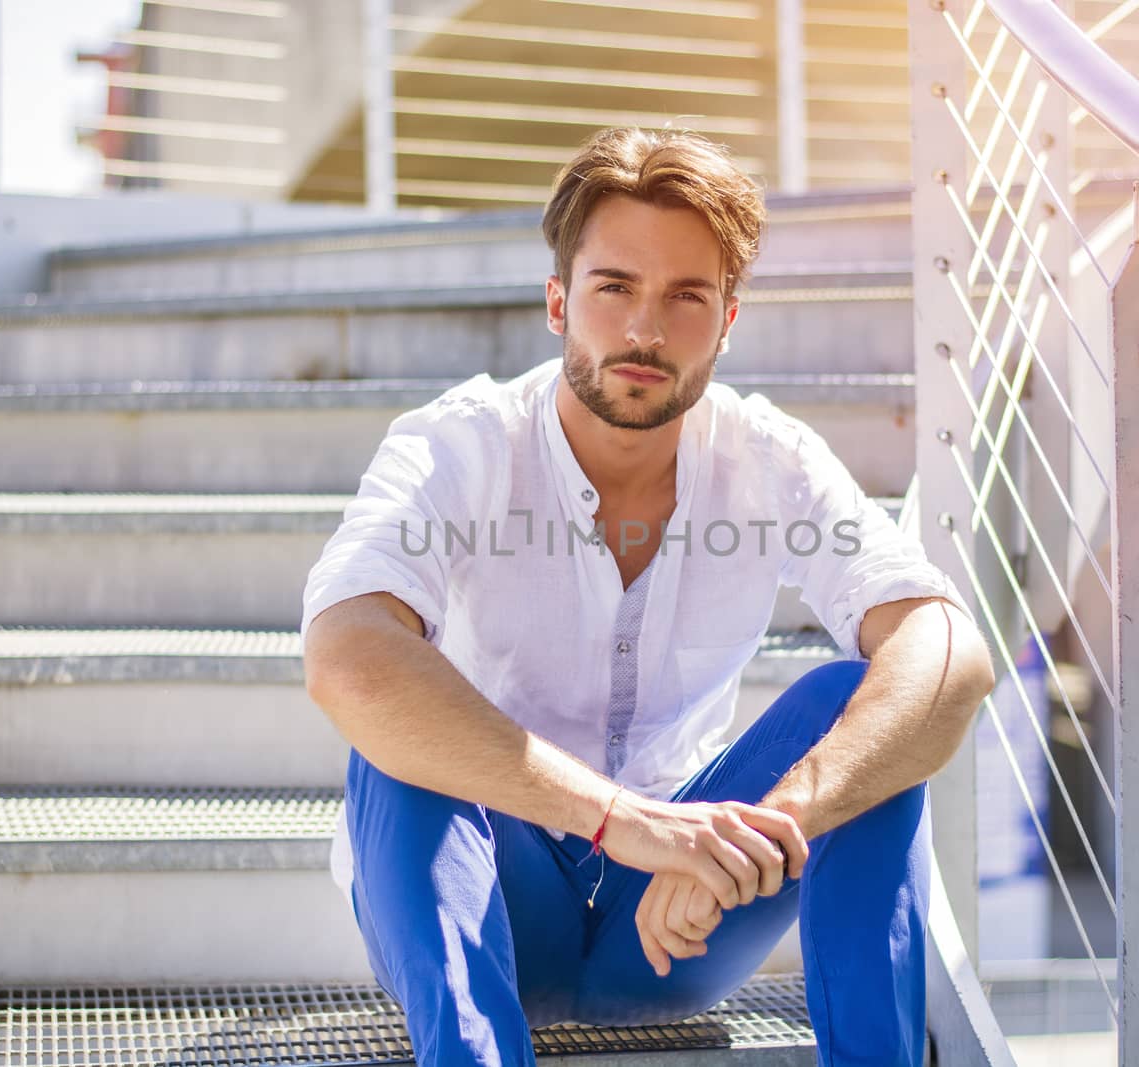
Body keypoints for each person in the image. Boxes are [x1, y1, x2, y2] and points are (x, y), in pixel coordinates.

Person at [300, 126, 995, 1066]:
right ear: (558, 301)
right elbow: (347, 656)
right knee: (399, 722)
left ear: (729, 319)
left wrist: (762, 827)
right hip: (490, 896)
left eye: (685, 297)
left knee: (856, 706)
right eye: (614, 288)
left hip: (675, 928)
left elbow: (947, 652)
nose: (644, 330)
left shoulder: (768, 456)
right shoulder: (458, 445)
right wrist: (625, 822)